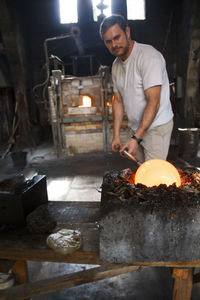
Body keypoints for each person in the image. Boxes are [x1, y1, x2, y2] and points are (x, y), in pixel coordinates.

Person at [99, 14, 174, 162]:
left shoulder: (148, 57)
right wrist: (116, 135)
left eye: (117, 37)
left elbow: (154, 102)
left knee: (153, 178)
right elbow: (118, 100)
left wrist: (136, 138)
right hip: (136, 128)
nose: (114, 45)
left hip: (156, 127)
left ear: (127, 32)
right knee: (140, 174)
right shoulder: (116, 65)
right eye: (108, 41)